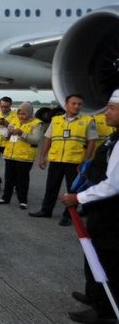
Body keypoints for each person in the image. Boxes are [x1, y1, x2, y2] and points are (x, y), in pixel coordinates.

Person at [60, 89, 119, 324]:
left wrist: (79, 198)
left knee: (106, 261)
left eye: (112, 108)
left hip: (111, 214)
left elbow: (113, 184)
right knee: (93, 255)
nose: (107, 112)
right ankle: (94, 295)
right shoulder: (114, 137)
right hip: (101, 211)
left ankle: (103, 311)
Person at [30, 94, 97, 226]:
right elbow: (48, 139)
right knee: (51, 187)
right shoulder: (55, 120)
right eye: (74, 103)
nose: (77, 106)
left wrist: (86, 161)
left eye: (79, 104)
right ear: (66, 105)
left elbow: (91, 142)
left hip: (75, 162)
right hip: (56, 160)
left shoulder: (88, 121)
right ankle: (46, 210)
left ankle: (68, 215)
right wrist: (42, 157)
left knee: (73, 190)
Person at [0, 103, 43, 210]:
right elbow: (6, 136)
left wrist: (22, 133)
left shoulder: (37, 123)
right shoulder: (15, 121)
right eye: (19, 113)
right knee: (8, 178)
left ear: (30, 113)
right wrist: (6, 133)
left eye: (23, 114)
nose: (21, 116)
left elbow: (36, 139)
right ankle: (5, 198)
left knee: (22, 180)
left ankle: (22, 201)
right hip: (10, 155)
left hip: (24, 157)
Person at [0, 96, 17, 192]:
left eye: (6, 107)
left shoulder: (15, 116)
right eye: (2, 106)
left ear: (11, 105)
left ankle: (12, 184)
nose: (4, 108)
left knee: (11, 166)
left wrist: (7, 124)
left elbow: (17, 129)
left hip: (8, 143)